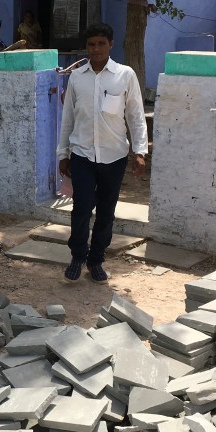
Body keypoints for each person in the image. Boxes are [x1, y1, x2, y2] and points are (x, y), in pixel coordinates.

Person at [57, 23, 148, 284]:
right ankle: (77, 256)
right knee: (82, 208)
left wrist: (140, 151)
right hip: (82, 155)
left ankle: (96, 260)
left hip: (114, 156)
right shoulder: (77, 77)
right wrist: (63, 153)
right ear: (86, 47)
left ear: (111, 45)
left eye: (101, 43)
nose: (96, 49)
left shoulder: (124, 75)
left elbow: (136, 115)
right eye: (91, 44)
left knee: (107, 211)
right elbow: (68, 118)